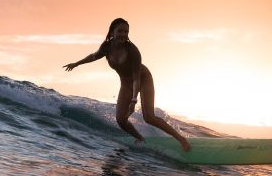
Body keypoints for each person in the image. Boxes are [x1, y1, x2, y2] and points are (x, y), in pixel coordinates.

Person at [64, 18, 192, 152]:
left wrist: (134, 99)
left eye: (126, 32)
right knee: (121, 120)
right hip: (125, 84)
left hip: (143, 79)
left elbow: (136, 79)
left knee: (149, 117)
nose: (123, 34)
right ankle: (140, 138)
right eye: (120, 31)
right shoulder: (107, 46)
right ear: (112, 32)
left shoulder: (132, 51)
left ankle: (181, 139)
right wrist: (76, 63)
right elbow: (94, 56)